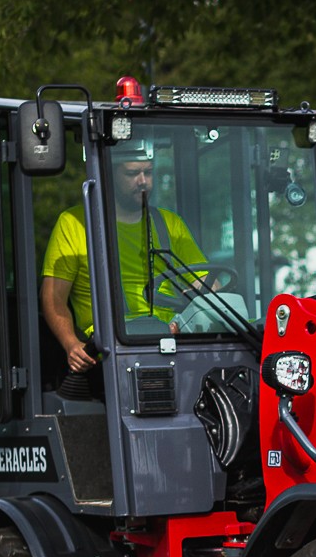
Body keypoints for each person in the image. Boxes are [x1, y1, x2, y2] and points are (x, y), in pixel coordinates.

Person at [40, 136, 210, 382]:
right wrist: (71, 345)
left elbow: (203, 283)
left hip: (174, 342)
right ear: (109, 176)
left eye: (148, 172)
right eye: (133, 173)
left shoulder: (170, 224)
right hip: (111, 348)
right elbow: (53, 298)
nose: (143, 182)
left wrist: (214, 301)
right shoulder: (75, 224)